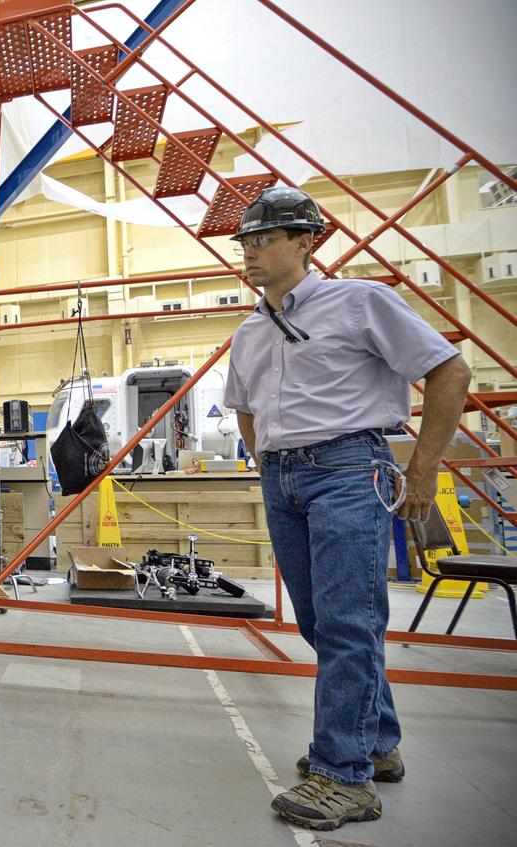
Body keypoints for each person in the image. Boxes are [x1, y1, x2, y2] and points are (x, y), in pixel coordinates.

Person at [223, 186, 471, 832]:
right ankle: (375, 739)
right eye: (245, 242)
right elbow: (246, 408)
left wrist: (421, 467)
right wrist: (269, 468)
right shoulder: (249, 331)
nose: (250, 252)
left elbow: (448, 371)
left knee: (345, 622)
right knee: (320, 620)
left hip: (346, 471)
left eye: (263, 239)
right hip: (284, 479)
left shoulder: (359, 302)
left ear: (306, 241)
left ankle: (342, 773)